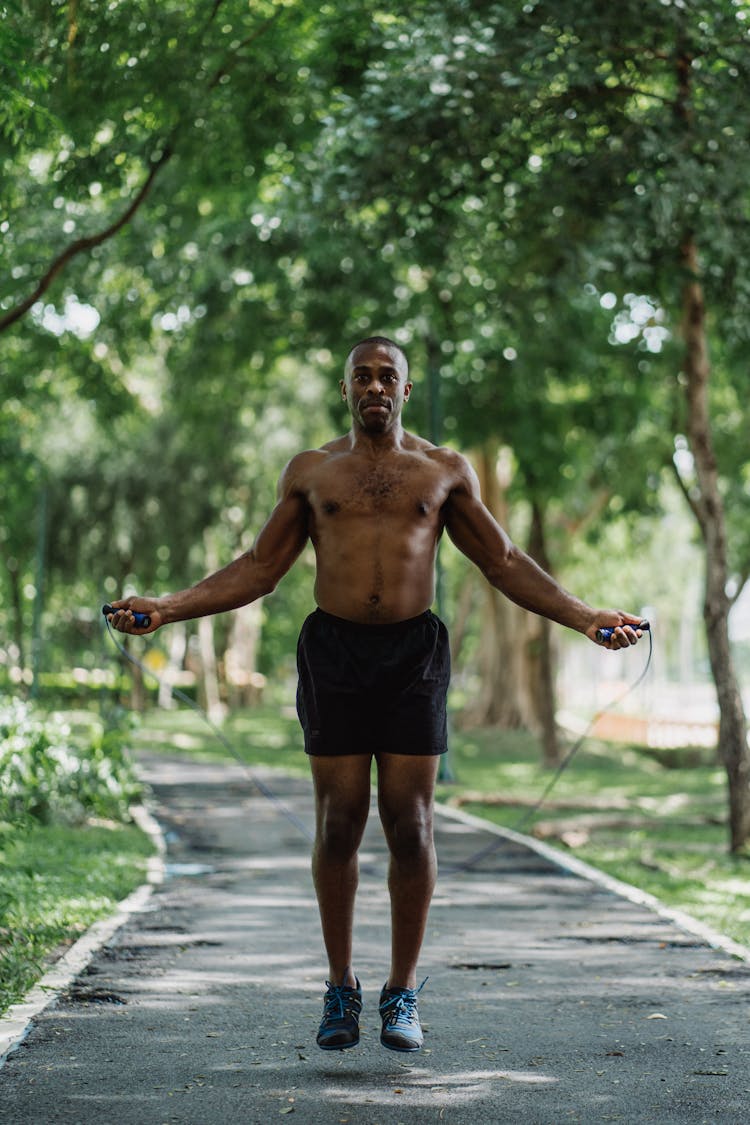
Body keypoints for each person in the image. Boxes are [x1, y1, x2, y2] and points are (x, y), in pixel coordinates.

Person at [107, 335, 645, 1054]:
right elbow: (261, 567)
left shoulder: (444, 471)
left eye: (387, 375)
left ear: (406, 389)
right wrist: (170, 607)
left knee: (412, 825)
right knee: (337, 824)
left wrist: (585, 616)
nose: (374, 386)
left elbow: (504, 561)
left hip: (412, 653)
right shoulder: (312, 472)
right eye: (361, 375)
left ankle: (401, 991)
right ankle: (339, 986)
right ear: (345, 388)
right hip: (332, 652)